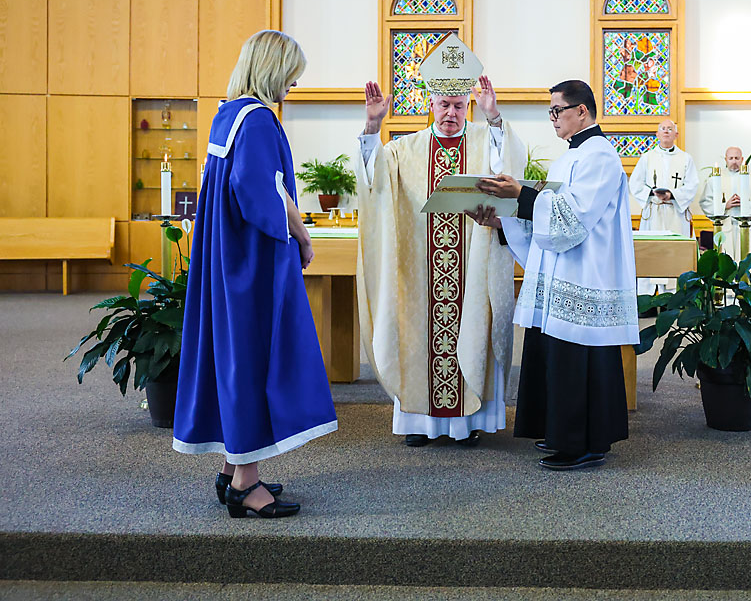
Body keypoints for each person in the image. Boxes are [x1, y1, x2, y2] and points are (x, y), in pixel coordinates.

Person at [172, 30, 337, 519]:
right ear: (272, 69)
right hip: (253, 264)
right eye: (290, 76)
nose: (292, 86)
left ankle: (231, 468)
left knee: (234, 355)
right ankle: (247, 484)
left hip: (226, 259)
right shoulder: (261, 119)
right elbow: (263, 191)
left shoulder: (228, 113)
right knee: (255, 359)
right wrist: (301, 236)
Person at [354, 33, 525, 448]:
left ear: (468, 105)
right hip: (419, 272)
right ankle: (419, 423)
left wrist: (495, 118)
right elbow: (373, 183)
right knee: (417, 335)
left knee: (470, 330)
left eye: (458, 105)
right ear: (430, 105)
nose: (450, 112)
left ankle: (469, 424)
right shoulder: (404, 149)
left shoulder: (486, 142)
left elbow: (510, 169)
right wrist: (372, 127)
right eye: (443, 105)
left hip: (472, 265)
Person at [472, 80, 636, 471]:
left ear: (582, 110)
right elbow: (548, 216)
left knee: (577, 359)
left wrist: (522, 197)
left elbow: (573, 216)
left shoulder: (600, 156)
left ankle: (582, 443)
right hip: (563, 271)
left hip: (585, 275)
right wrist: (502, 221)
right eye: (550, 111)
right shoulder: (569, 157)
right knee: (555, 355)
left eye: (557, 111)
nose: (553, 119)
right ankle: (563, 433)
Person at [628, 119, 700, 295]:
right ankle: (648, 299)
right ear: (657, 134)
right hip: (654, 212)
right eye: (663, 129)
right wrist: (652, 193)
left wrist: (672, 195)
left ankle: (673, 299)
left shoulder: (685, 158)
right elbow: (635, 184)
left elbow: (692, 185)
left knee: (673, 254)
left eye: (670, 129)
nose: (666, 131)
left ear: (676, 134)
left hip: (675, 211)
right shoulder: (647, 157)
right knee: (651, 253)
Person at [698, 146, 751, 261]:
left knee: (748, 264)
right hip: (725, 227)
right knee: (727, 264)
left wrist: (745, 204)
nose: (734, 161)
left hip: (748, 228)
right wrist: (725, 205)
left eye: (737, 158)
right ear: (725, 160)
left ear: (742, 159)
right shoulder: (715, 179)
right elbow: (705, 202)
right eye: (731, 158)